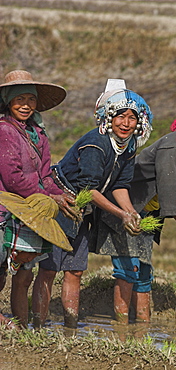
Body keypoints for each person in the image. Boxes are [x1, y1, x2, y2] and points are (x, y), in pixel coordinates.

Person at [91, 95, 176, 324]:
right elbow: (168, 189)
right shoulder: (174, 145)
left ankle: (142, 327)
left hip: (148, 215)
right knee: (128, 269)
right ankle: (122, 328)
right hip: (128, 207)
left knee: (143, 272)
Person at [32, 79, 153, 328]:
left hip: (84, 210)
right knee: (49, 268)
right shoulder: (95, 144)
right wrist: (121, 214)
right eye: (120, 117)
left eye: (132, 118)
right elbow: (89, 187)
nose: (126, 123)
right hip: (62, 203)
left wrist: (131, 212)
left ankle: (70, 326)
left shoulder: (128, 146)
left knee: (75, 270)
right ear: (108, 118)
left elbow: (120, 185)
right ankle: (38, 325)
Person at [0, 70, 77, 327]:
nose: (25, 105)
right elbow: (13, 178)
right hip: (7, 208)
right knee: (2, 269)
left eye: (30, 100)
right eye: (19, 99)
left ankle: (22, 326)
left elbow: (45, 173)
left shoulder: (38, 134)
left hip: (31, 210)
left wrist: (59, 195)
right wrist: (48, 197)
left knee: (24, 274)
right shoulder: (5, 131)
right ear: (8, 101)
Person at [0, 192, 73, 329]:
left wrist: (21, 328)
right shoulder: (2, 243)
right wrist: (4, 320)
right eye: (30, 255)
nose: (31, 260)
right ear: (20, 247)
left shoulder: (27, 249)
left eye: (36, 255)